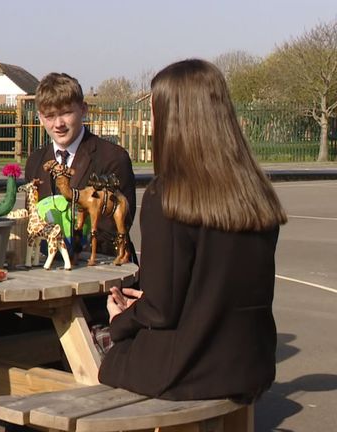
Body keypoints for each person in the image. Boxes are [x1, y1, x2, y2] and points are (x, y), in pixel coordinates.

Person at [99, 59, 287, 402]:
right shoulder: (257, 190)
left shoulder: (167, 196)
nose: (151, 124)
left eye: (154, 113)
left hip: (187, 369)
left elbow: (161, 310)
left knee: (88, 361)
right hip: (250, 363)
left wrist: (120, 320)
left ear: (174, 119)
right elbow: (218, 289)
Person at [0, 72, 137, 336]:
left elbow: (110, 233)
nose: (58, 124)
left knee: (39, 339)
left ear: (83, 110)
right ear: (39, 117)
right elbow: (33, 221)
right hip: (45, 283)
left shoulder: (112, 158)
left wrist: (60, 247)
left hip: (96, 290)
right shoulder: (37, 160)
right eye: (49, 116)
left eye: (65, 113)